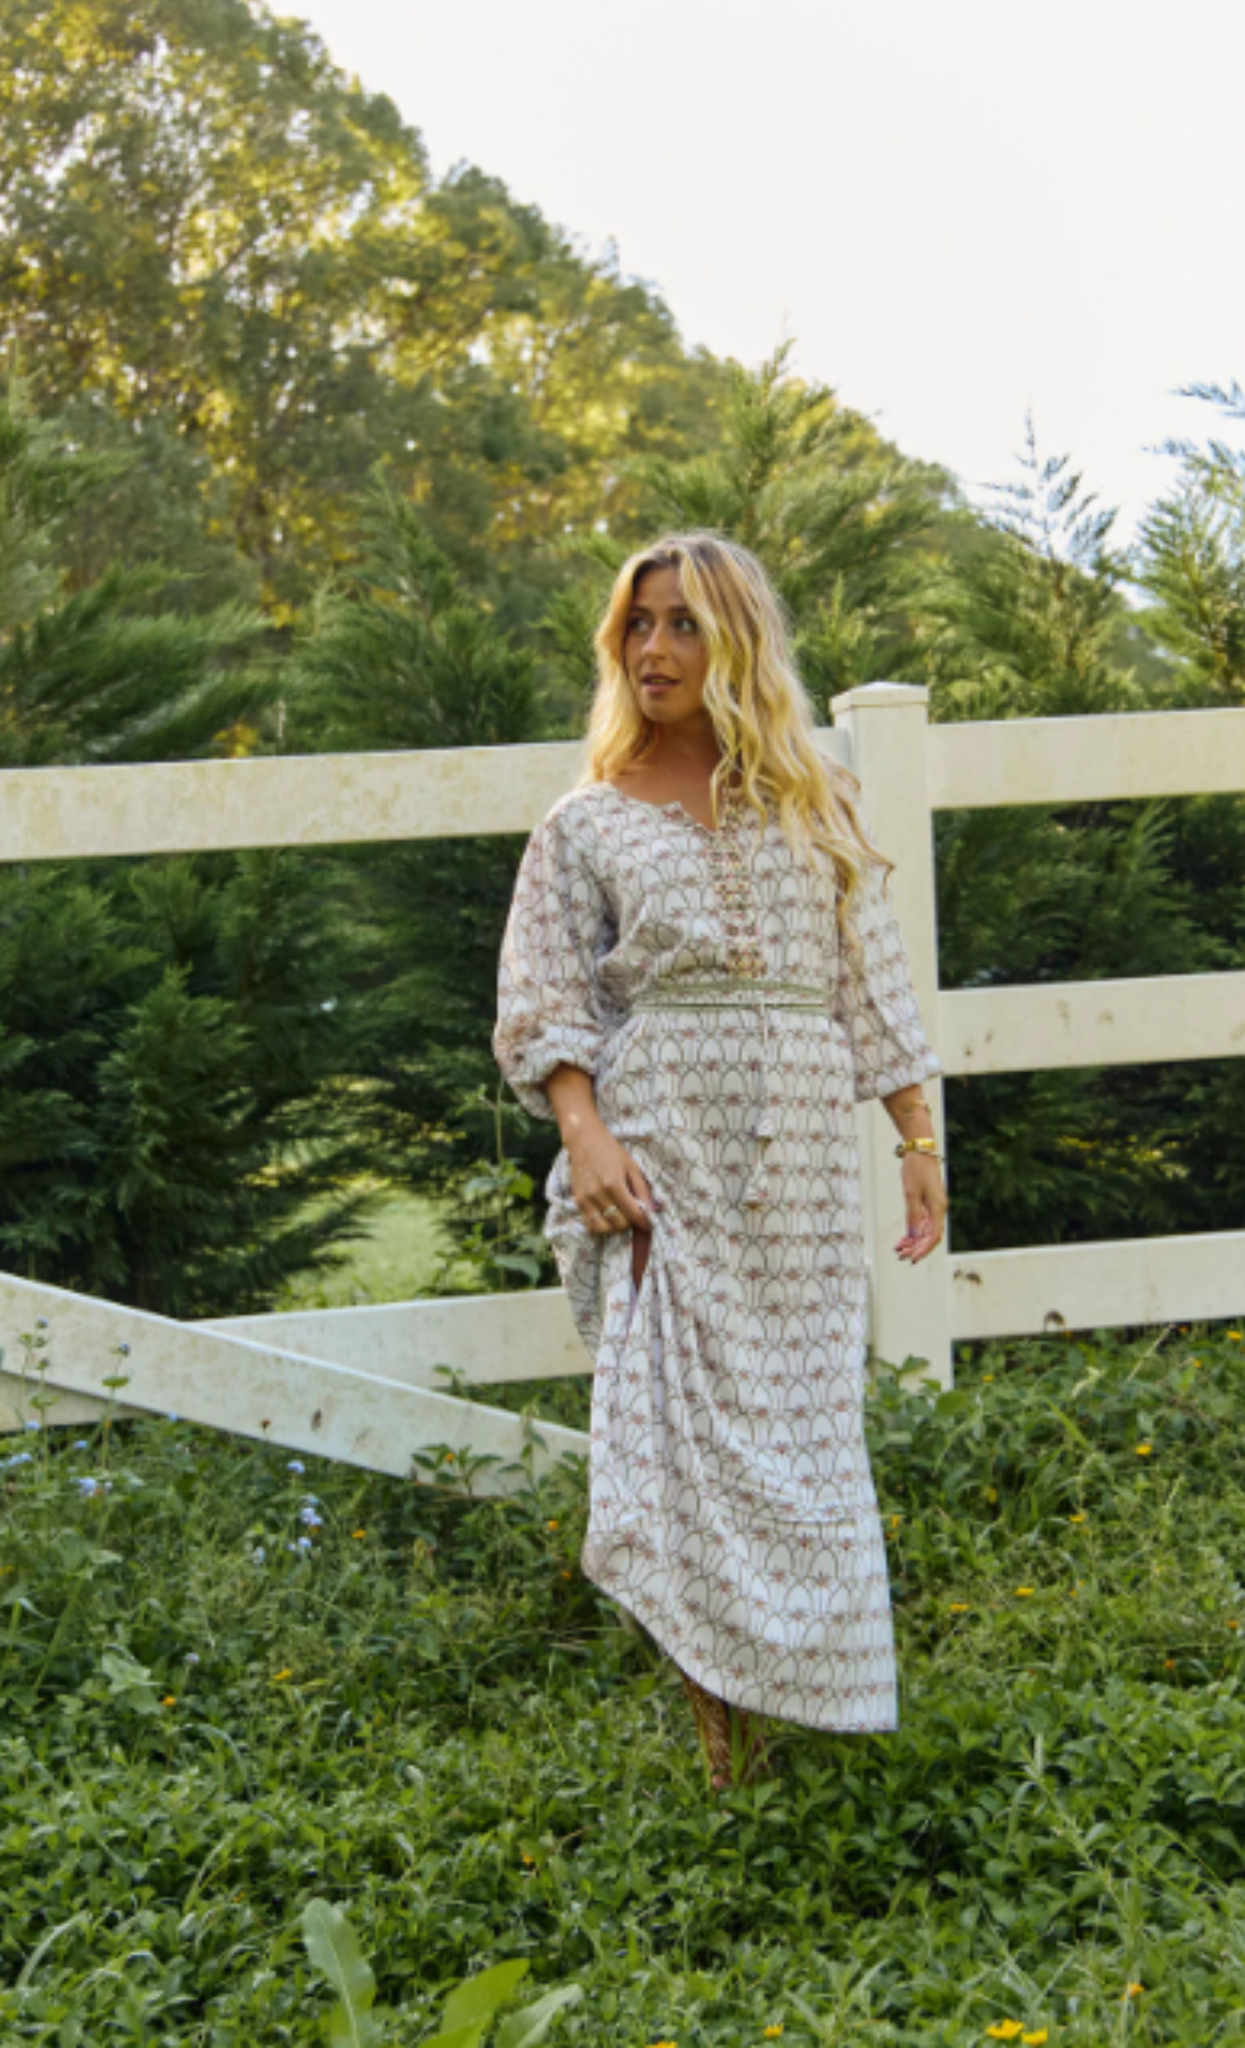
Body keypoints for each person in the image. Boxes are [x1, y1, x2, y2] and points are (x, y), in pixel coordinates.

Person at [493, 530, 947, 1791]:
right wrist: (585, 1135)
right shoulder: (584, 822)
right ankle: (724, 1758)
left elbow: (873, 975)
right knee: (683, 1435)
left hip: (801, 1156)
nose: (653, 648)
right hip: (661, 1144)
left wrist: (915, 1136)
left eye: (683, 623)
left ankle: (808, 1707)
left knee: (798, 1427)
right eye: (637, 624)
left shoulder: (815, 800)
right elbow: (542, 996)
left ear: (735, 643)